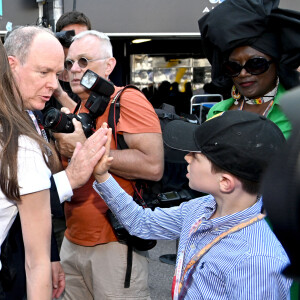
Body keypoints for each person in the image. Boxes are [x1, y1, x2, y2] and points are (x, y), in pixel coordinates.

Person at [93, 110, 291, 299]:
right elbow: (141, 222)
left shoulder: (258, 262)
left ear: (225, 182)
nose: (186, 157)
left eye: (196, 156)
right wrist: (103, 176)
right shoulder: (201, 208)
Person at [53, 30, 164, 299]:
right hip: (72, 239)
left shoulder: (126, 99)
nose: (75, 70)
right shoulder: (79, 109)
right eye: (69, 64)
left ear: (109, 65)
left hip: (113, 244)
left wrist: (87, 148)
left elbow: (153, 165)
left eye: (84, 61)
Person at [0, 30, 109, 300]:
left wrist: (71, 177)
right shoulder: (19, 140)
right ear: (12, 65)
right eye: (43, 72)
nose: (54, 84)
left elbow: (24, 200)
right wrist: (70, 178)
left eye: (56, 73)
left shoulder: (26, 119)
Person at [197, 0, 300, 139]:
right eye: (233, 67)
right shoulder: (217, 112)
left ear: (276, 64)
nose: (243, 73)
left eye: (256, 64)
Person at [44, 11, 92, 113]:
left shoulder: (95, 80)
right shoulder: (45, 77)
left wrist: (60, 95)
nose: (75, 46)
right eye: (69, 39)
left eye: (81, 39)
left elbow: (93, 121)